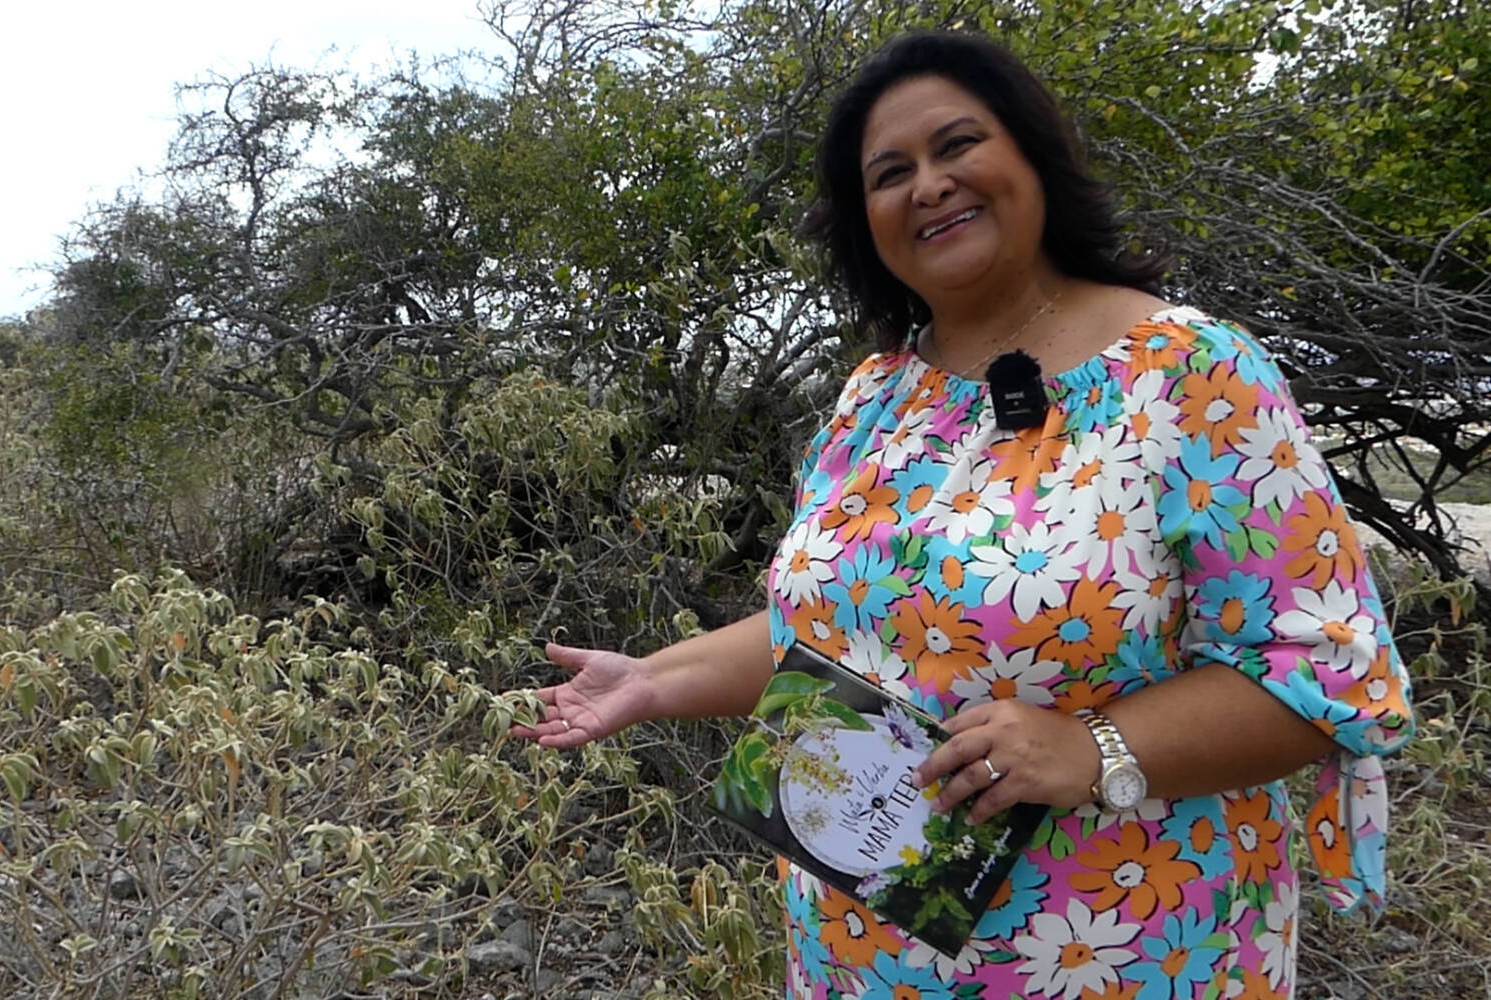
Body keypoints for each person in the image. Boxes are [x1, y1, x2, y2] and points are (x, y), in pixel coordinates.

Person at [512, 30, 1413, 1000]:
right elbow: (845, 626)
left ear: (1030, 153)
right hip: (860, 960)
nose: (928, 184)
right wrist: (653, 678)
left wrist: (1090, 748)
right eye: (889, 172)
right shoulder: (876, 395)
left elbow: (1323, 677)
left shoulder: (1191, 371)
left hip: (1124, 952)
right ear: (866, 223)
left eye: (956, 145)